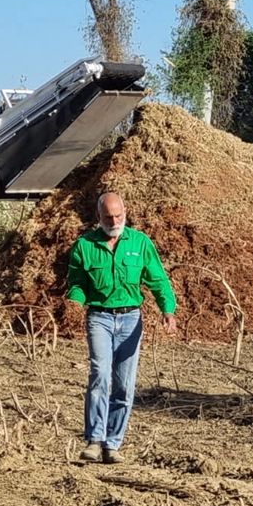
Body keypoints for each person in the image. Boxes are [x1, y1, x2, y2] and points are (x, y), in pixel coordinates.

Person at [66, 192, 177, 464]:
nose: (114, 221)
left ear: (125, 212)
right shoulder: (84, 245)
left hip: (130, 319)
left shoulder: (140, 243)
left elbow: (158, 280)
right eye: (107, 217)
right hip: (99, 318)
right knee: (100, 375)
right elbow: (78, 283)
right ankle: (94, 440)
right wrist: (74, 302)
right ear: (98, 217)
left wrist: (168, 311)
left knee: (124, 385)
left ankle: (112, 444)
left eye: (118, 216)